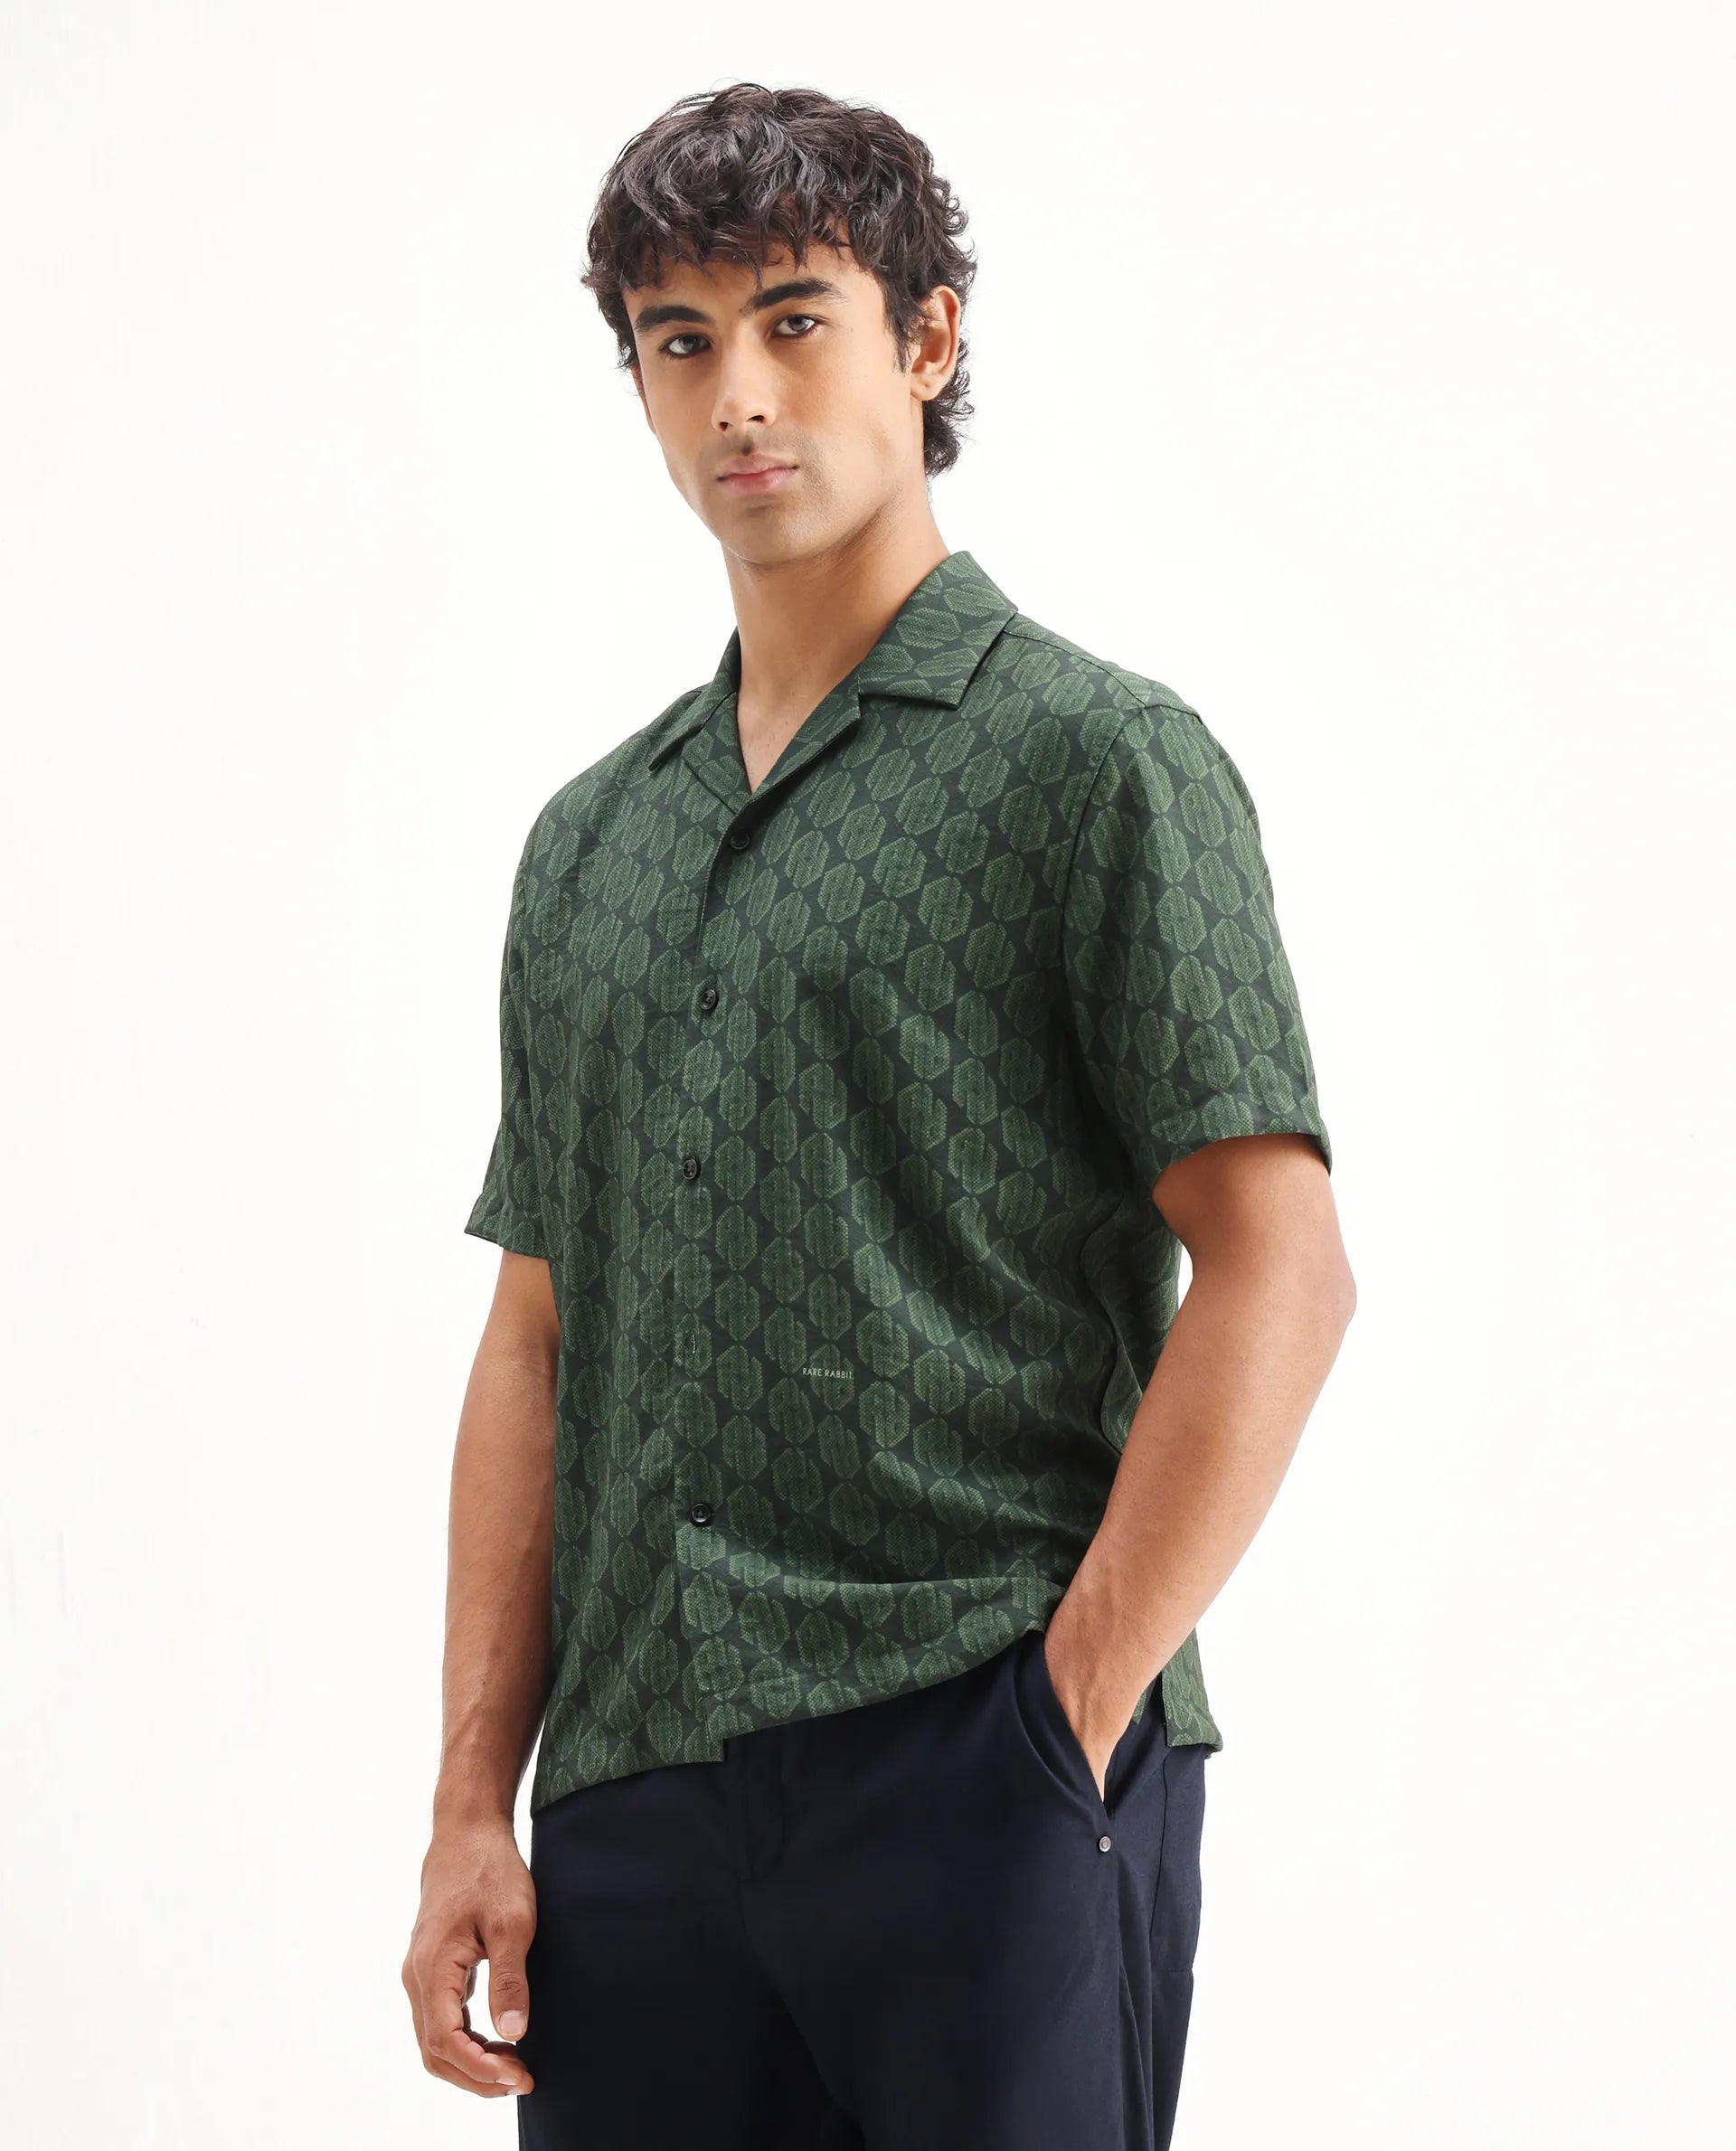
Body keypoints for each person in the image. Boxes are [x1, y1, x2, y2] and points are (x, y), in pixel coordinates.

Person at [401, 80, 1355, 2151]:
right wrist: (476, 1798)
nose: (738, 394)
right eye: (679, 339)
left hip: (983, 1751)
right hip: (635, 1801)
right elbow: (537, 1336)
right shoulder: (592, 844)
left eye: (795, 319)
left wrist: (1072, 1706)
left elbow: (1282, 1261)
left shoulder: (1095, 764)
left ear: (926, 340)